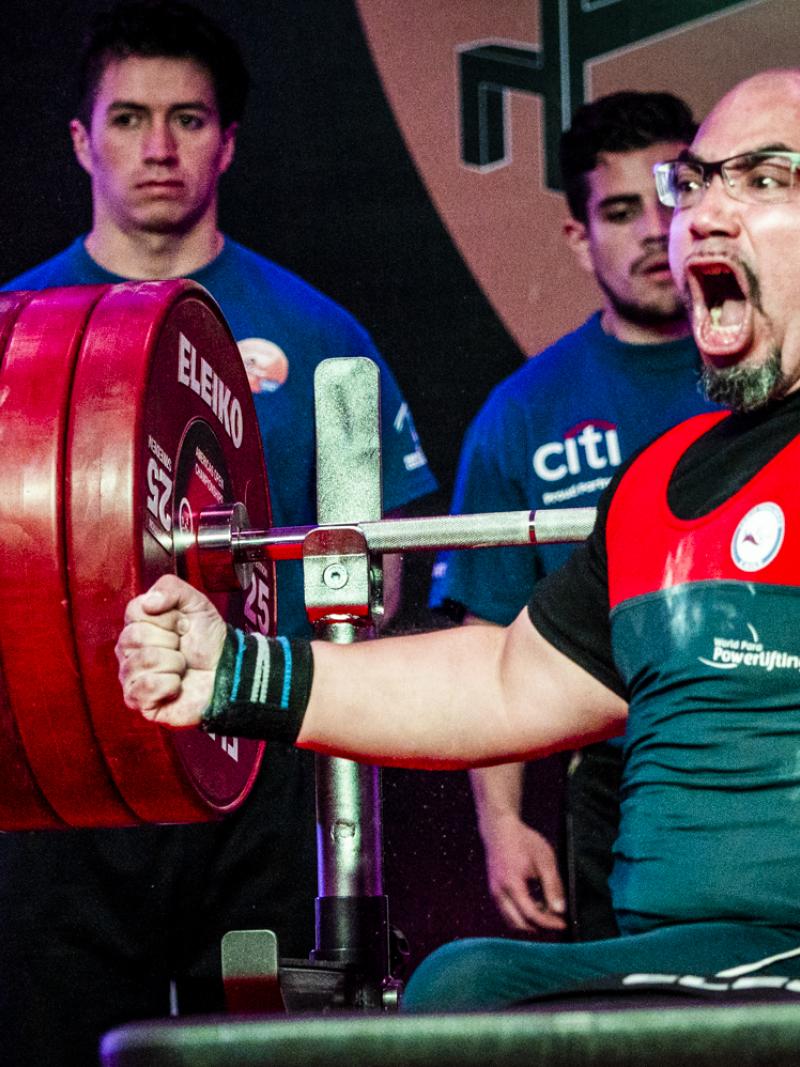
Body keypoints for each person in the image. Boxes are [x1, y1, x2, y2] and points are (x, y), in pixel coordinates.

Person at [119, 67, 800, 1013]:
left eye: (764, 181)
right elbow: (505, 680)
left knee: (469, 990)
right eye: (697, 184)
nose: (702, 217)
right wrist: (236, 672)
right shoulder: (659, 483)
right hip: (681, 960)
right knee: (458, 981)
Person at [0, 2, 435, 1063]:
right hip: (62, 783)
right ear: (79, 139)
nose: (158, 147)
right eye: (130, 117)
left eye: (188, 119)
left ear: (227, 140)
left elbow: (387, 567)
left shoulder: (319, 333)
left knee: (261, 1049)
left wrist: (318, 626)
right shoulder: (13, 330)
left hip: (253, 779)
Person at [429, 91, 720, 942]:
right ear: (578, 236)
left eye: (671, 196)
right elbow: (490, 634)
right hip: (612, 771)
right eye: (619, 210)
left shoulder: (772, 374)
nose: (650, 230)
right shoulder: (522, 412)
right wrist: (502, 822)